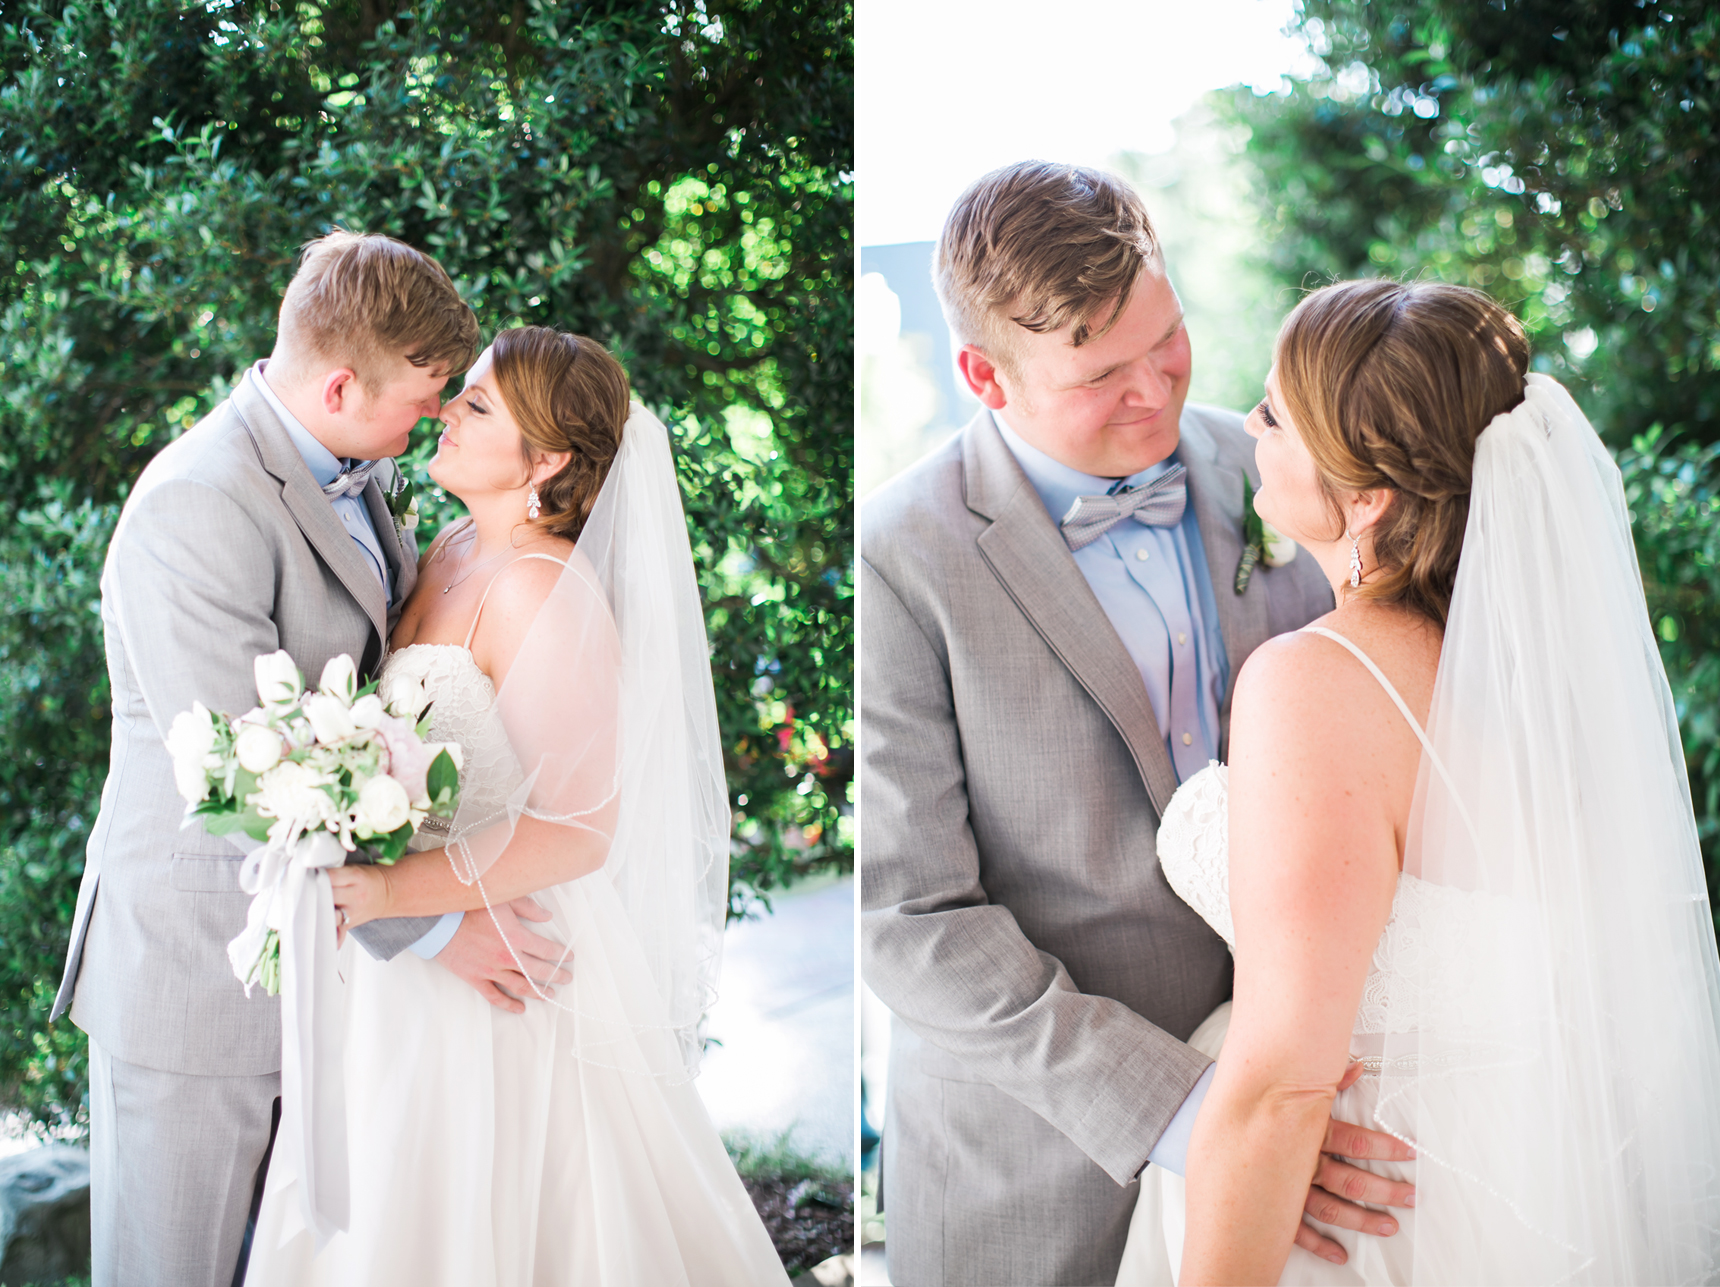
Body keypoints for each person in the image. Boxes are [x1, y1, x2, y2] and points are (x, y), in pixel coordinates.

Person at [860, 161, 1415, 1287]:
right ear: (982, 374)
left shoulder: (1276, 472)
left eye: (1166, 341)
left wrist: (1283, 1087)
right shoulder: (898, 555)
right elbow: (908, 917)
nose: (1155, 394)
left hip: (1325, 1103)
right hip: (1034, 1164)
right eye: (1100, 374)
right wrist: (1195, 1109)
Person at [1119, 279, 1720, 1284]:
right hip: (1526, 1183)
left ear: (1367, 497)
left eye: (1275, 413)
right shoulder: (1549, 685)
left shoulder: (1315, 683)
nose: (1248, 427)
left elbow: (1280, 1090)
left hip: (1366, 1221)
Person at [50, 231, 571, 1287]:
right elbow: (251, 769)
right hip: (201, 971)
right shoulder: (198, 504)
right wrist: (432, 929)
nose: (434, 417)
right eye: (426, 396)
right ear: (339, 385)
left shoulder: (349, 468)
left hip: (326, 968)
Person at [242, 325, 791, 1284]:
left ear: (548, 462)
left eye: (480, 404)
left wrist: (391, 895)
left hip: (504, 966)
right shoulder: (448, 548)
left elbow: (579, 827)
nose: (449, 406)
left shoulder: (546, 592)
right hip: (402, 957)